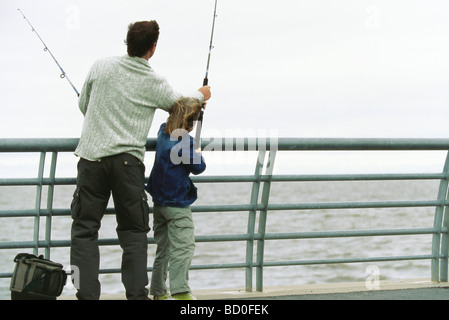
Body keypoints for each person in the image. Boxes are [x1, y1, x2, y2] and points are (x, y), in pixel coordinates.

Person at [70, 21, 211, 300]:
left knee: (84, 231)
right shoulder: (152, 81)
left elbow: (83, 104)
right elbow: (181, 107)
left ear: (127, 42)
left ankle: (86, 296)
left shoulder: (100, 66)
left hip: (91, 159)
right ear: (153, 48)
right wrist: (201, 95)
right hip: (127, 164)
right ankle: (137, 296)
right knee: (133, 234)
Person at [145, 97, 206, 300]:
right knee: (183, 247)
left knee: (164, 248)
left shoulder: (163, 132)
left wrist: (195, 109)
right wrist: (195, 147)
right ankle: (180, 292)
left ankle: (159, 292)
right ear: (190, 122)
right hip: (177, 204)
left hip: (159, 202)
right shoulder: (185, 142)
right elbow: (199, 167)